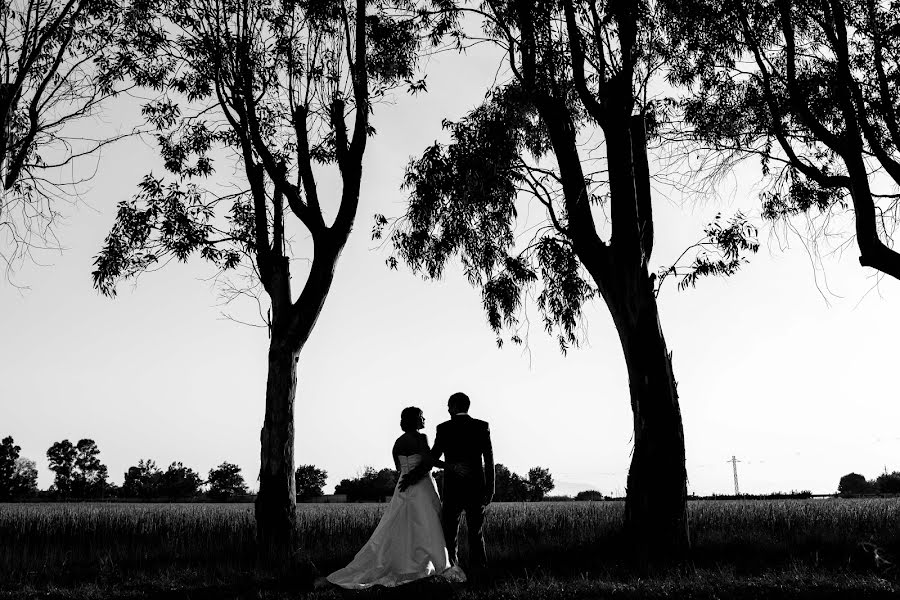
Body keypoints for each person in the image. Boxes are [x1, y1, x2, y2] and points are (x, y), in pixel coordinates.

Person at [325, 407, 466, 589]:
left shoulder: (398, 442)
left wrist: (409, 474)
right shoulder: (420, 437)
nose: (425, 419)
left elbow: (399, 467)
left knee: (403, 525)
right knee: (428, 524)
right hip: (422, 486)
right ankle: (429, 564)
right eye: (422, 416)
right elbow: (429, 461)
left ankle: (406, 563)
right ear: (415, 420)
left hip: (403, 487)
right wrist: (451, 466)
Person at [400, 392, 495, 571]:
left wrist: (413, 476)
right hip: (477, 488)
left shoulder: (444, 428)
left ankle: (451, 569)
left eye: (449, 406)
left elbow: (432, 458)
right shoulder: (482, 426)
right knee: (476, 532)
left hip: (453, 489)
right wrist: (491, 489)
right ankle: (480, 570)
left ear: (455, 406)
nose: (448, 409)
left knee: (450, 533)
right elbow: (489, 460)